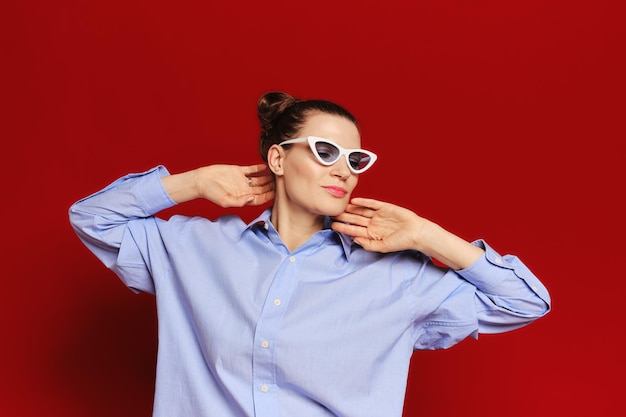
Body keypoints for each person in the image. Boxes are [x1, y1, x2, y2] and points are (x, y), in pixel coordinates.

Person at [69, 91, 551, 417]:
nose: (343, 170)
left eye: (355, 160)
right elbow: (91, 217)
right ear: (278, 159)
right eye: (324, 151)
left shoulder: (395, 276)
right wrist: (192, 183)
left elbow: (525, 302)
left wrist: (427, 236)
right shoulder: (192, 248)